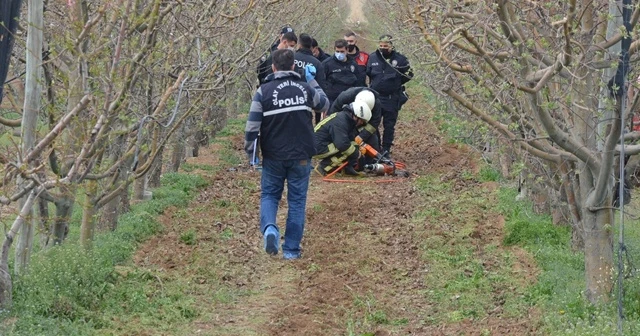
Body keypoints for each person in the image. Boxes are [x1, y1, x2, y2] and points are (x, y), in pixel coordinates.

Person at [244, 49, 329, 260]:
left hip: (273, 155)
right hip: (301, 155)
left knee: (270, 195)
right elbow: (325, 104)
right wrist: (312, 81)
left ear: (273, 67)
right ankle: (291, 250)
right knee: (297, 201)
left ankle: (270, 229)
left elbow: (252, 127)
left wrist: (251, 154)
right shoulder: (305, 89)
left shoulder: (263, 92)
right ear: (293, 67)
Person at [366, 34, 413, 157]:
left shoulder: (401, 59)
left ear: (392, 45)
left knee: (389, 125)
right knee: (373, 124)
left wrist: (395, 83)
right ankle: (376, 148)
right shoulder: (372, 58)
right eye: (381, 46)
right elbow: (369, 73)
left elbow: (409, 74)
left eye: (385, 46)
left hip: (392, 98)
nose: (383, 48)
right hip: (375, 97)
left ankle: (386, 149)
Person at [313, 101, 372, 176]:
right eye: (362, 121)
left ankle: (346, 169)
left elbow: (351, 139)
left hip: (320, 144)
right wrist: (357, 154)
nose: (361, 123)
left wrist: (357, 149)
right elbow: (342, 144)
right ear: (356, 115)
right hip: (316, 147)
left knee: (351, 148)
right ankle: (323, 167)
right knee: (346, 149)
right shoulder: (341, 121)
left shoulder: (346, 120)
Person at [295, 33, 327, 123]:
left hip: (290, 100)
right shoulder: (316, 63)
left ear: (299, 45)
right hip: (308, 102)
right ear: (311, 46)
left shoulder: (291, 58)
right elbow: (321, 88)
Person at [322, 39, 359, 105]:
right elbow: (322, 82)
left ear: (347, 50)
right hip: (332, 101)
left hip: (349, 100)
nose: (339, 54)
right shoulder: (327, 64)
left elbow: (358, 81)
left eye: (342, 51)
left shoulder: (353, 64)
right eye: (337, 51)